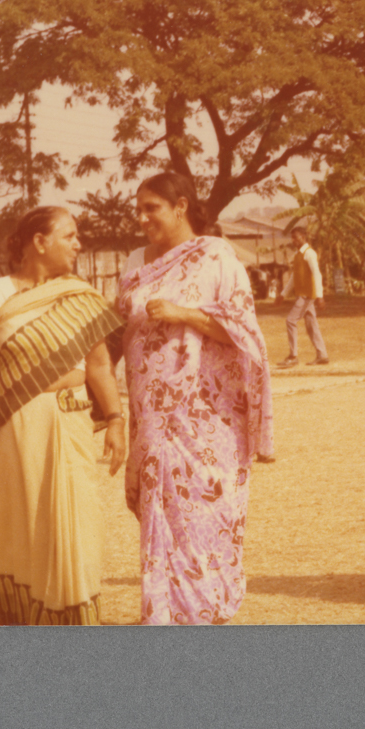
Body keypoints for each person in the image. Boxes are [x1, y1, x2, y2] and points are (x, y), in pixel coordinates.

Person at [0, 207, 127, 625]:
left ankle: (76, 623)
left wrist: (115, 418)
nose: (78, 244)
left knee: (77, 529)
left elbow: (99, 365)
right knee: (21, 527)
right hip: (13, 427)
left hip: (71, 419)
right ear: (39, 243)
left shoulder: (81, 296)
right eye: (70, 236)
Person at [116, 172, 273, 624]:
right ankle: (162, 609)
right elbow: (115, 328)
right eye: (139, 208)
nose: (142, 217)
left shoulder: (216, 257)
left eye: (152, 208)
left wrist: (185, 314)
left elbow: (245, 331)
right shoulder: (133, 262)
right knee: (159, 504)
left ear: (181, 206)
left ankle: (203, 606)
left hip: (205, 413)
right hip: (149, 408)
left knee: (204, 502)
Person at [279, 226, 329, 368]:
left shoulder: (309, 253)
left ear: (304, 237)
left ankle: (293, 356)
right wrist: (283, 294)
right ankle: (322, 355)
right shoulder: (298, 255)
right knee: (311, 325)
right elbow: (294, 277)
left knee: (290, 321)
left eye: (296, 237)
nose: (293, 240)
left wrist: (320, 296)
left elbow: (317, 274)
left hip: (307, 296)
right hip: (302, 294)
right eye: (292, 237)